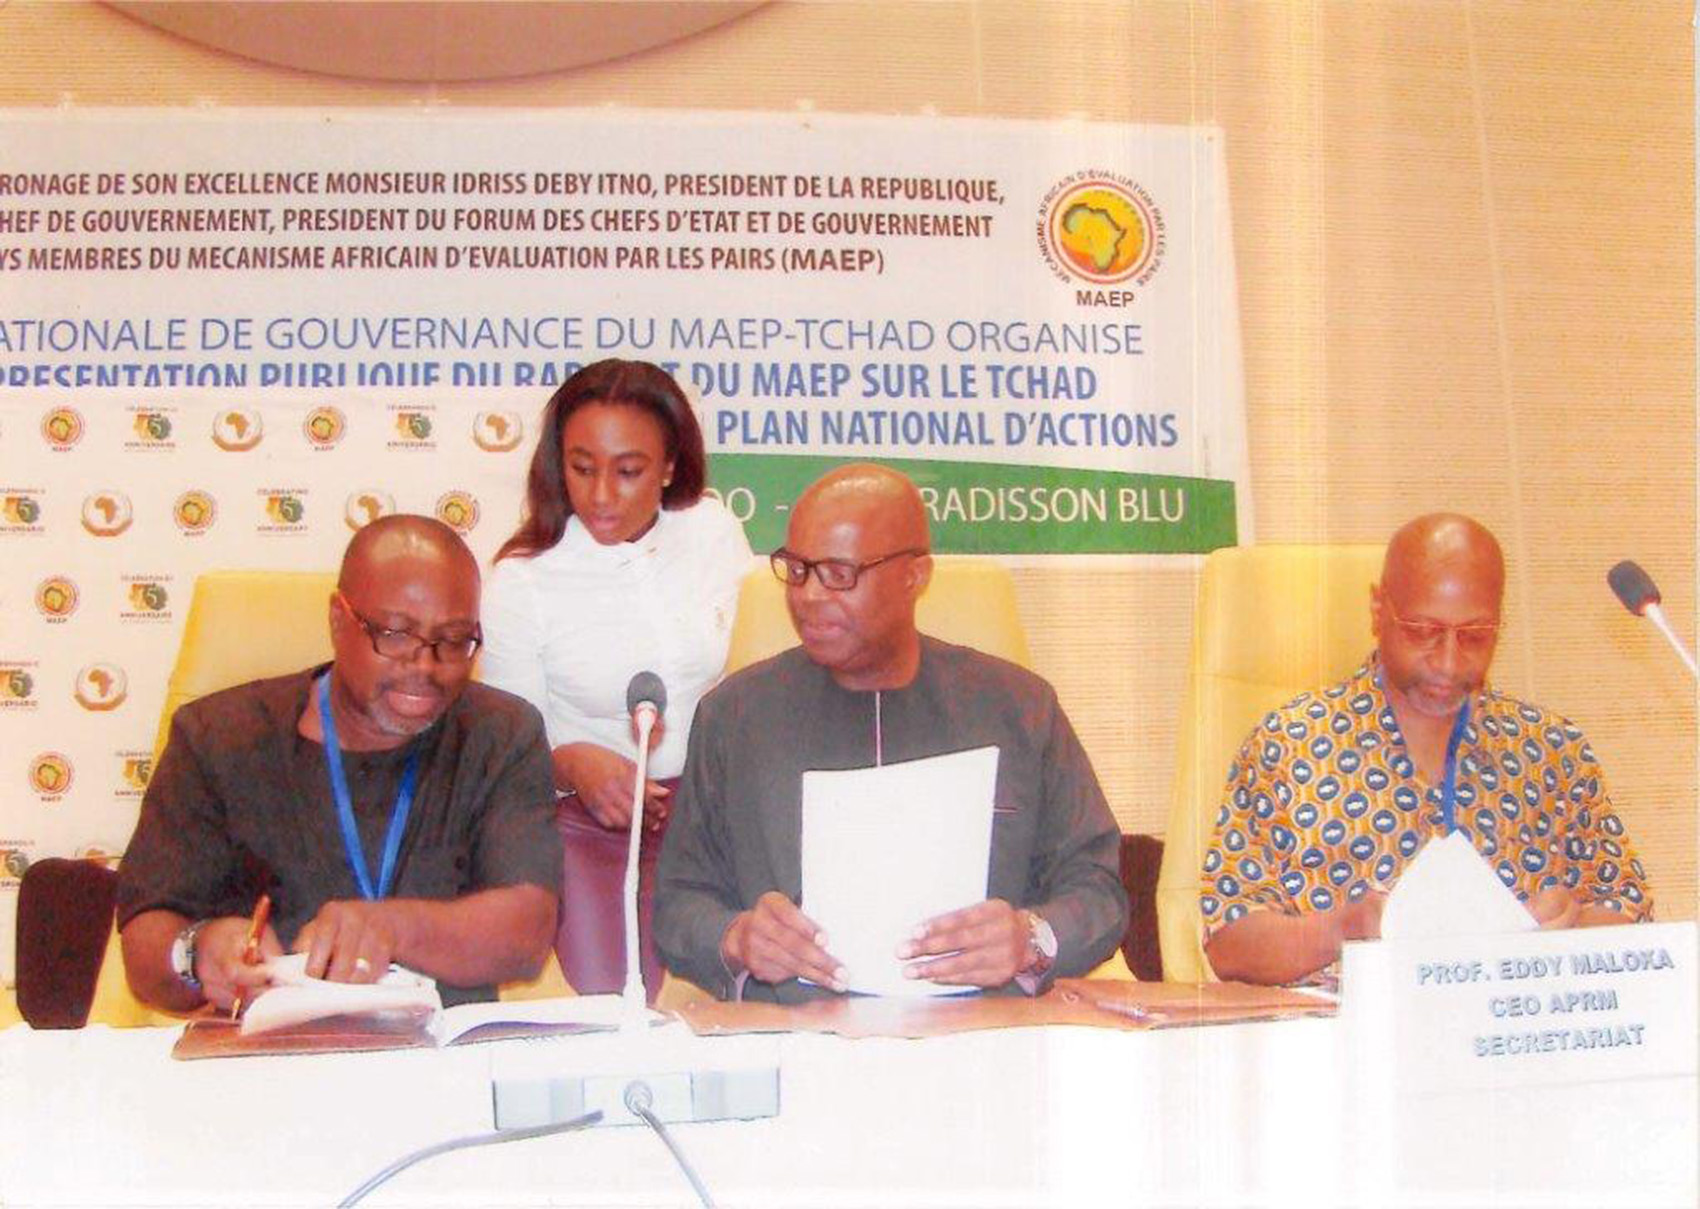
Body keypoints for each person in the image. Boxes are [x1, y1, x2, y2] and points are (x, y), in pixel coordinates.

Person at [654, 463, 1127, 1003]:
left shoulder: (1018, 708)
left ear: (915, 576)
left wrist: (1031, 939)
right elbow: (678, 905)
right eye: (797, 569)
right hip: (797, 1037)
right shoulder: (735, 717)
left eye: (837, 573)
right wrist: (736, 938)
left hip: (983, 1041)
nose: (807, 595)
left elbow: (1098, 891)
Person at [118, 515, 560, 1012]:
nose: (424, 666)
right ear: (337, 618)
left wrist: (392, 928)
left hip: (441, 1062)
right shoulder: (218, 738)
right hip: (262, 1068)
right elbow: (144, 949)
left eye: (453, 640)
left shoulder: (500, 733)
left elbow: (527, 931)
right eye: (395, 635)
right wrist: (198, 950)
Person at [1200, 513, 1654, 986]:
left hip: (1510, 1039)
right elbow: (1229, 940)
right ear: (1378, 611)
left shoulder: (1552, 751)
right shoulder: (1288, 746)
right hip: (1343, 1043)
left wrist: (1573, 929)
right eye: (1422, 631)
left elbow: (1629, 907)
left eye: (1475, 636)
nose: (1448, 661)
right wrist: (1342, 930)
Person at [481, 359, 751, 1001]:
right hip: (586, 825)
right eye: (581, 467)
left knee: (740, 991)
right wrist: (572, 762)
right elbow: (504, 749)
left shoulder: (711, 533)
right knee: (615, 1000)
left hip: (709, 818)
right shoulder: (523, 580)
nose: (601, 495)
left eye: (628, 471)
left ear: (668, 466)